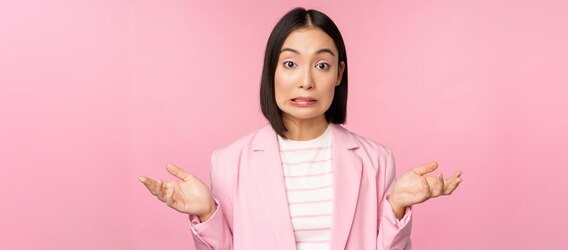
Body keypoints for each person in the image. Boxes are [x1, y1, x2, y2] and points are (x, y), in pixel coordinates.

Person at [139, 7, 462, 250]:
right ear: (272, 71)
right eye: (290, 64)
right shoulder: (229, 161)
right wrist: (207, 214)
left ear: (339, 74)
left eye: (322, 65)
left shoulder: (376, 159)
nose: (306, 81)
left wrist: (397, 208)